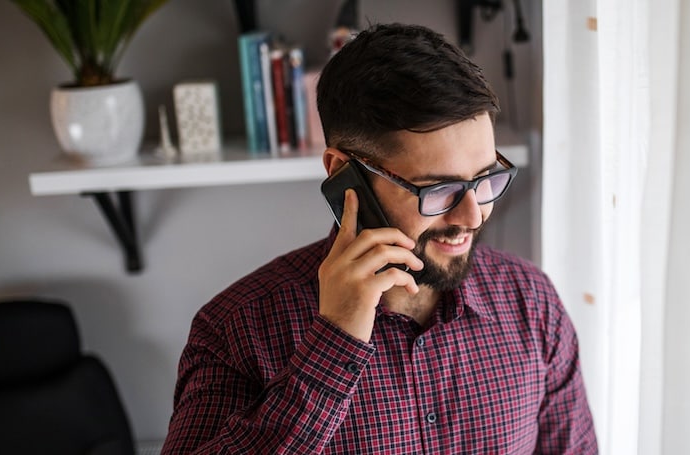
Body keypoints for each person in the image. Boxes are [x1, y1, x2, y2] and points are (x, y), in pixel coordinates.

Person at [162, 23, 597, 454]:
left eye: (485, 179)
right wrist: (333, 343)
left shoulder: (531, 301)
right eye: (439, 190)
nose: (472, 215)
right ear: (343, 175)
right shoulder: (235, 331)